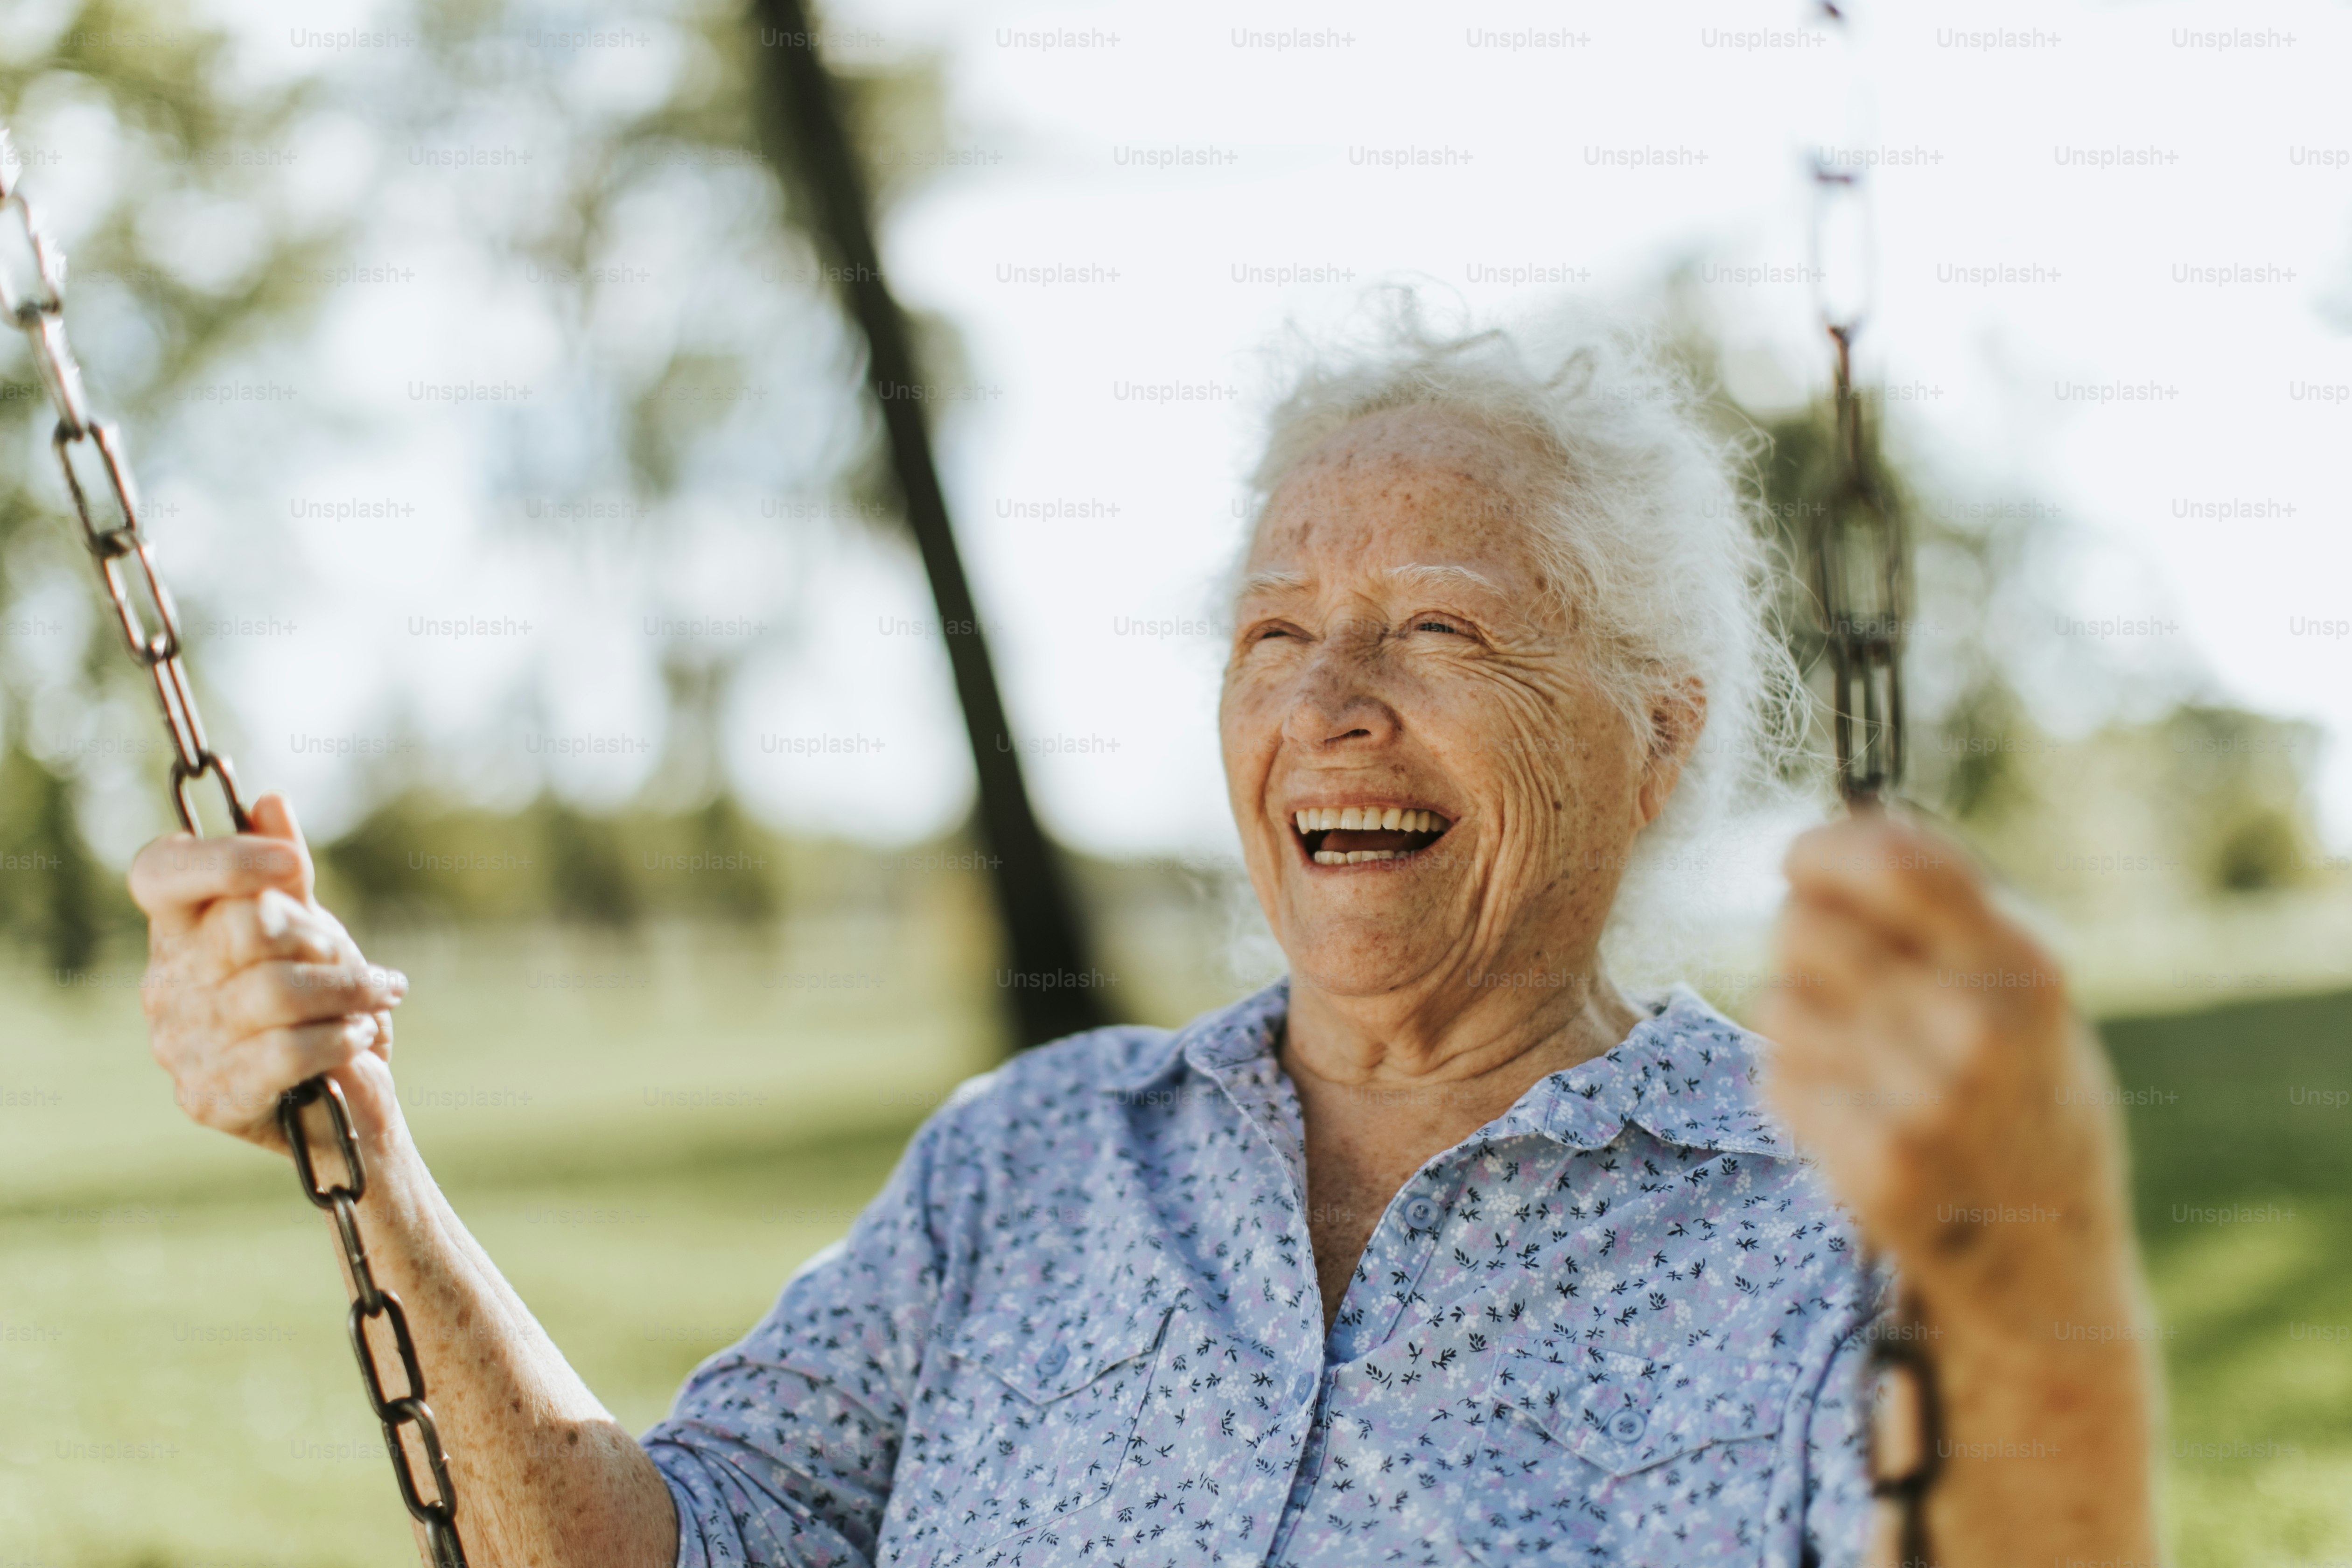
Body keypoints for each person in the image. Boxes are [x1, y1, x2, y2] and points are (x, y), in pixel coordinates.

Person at [132, 294, 2156, 1568]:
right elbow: (653, 1549)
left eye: (1438, 630)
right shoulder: (1027, 1164)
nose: (1327, 707)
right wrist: (371, 1158)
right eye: (1276, 637)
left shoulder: (1833, 1227)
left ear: (1654, 735)